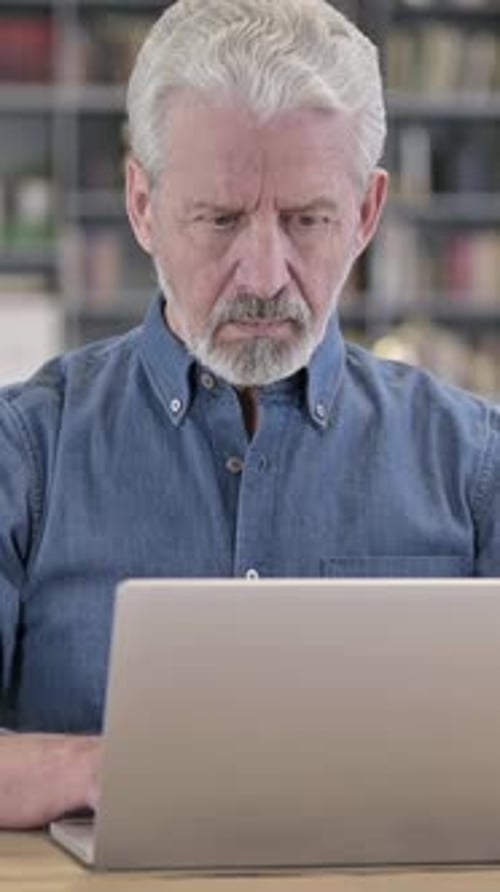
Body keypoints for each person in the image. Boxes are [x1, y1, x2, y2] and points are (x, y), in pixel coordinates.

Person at [1, 0, 500, 829]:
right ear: (141, 204)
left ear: (367, 213)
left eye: (308, 220)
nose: (265, 275)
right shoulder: (25, 454)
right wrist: (101, 767)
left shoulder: (475, 465)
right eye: (220, 219)